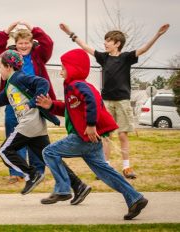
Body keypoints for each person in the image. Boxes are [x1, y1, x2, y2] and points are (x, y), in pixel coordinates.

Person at [37, 48, 148, 220]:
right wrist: (51, 106)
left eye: (63, 68)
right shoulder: (74, 88)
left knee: (48, 152)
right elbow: (71, 110)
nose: (60, 72)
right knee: (105, 172)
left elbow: (93, 101)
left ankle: (63, 189)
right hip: (90, 140)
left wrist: (90, 125)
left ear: (74, 68)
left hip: (83, 137)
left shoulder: (78, 85)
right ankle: (135, 198)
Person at [59, 23, 170, 179]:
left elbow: (144, 49)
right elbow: (84, 46)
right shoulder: (103, 58)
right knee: (106, 136)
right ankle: (106, 166)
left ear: (117, 44)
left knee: (123, 135)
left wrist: (158, 34)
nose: (105, 43)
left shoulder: (126, 58)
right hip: (106, 102)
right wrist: (70, 32)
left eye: (108, 41)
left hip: (123, 101)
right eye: (105, 40)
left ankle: (126, 167)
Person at [0, 50, 91, 204]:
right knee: (49, 158)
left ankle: (32, 174)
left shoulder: (19, 77)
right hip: (35, 125)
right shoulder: (11, 84)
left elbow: (43, 83)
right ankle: (78, 186)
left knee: (4, 151)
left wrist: (31, 104)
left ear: (8, 66)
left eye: (0, 66)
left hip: (30, 123)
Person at [0, 21, 54, 183]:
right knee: (14, 136)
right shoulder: (9, 57)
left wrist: (32, 27)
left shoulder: (39, 55)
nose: (24, 46)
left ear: (32, 43)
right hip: (14, 103)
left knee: (35, 137)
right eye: (20, 43)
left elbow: (48, 43)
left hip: (34, 103)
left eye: (27, 43)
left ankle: (38, 170)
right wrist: (9, 28)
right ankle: (17, 172)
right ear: (15, 44)